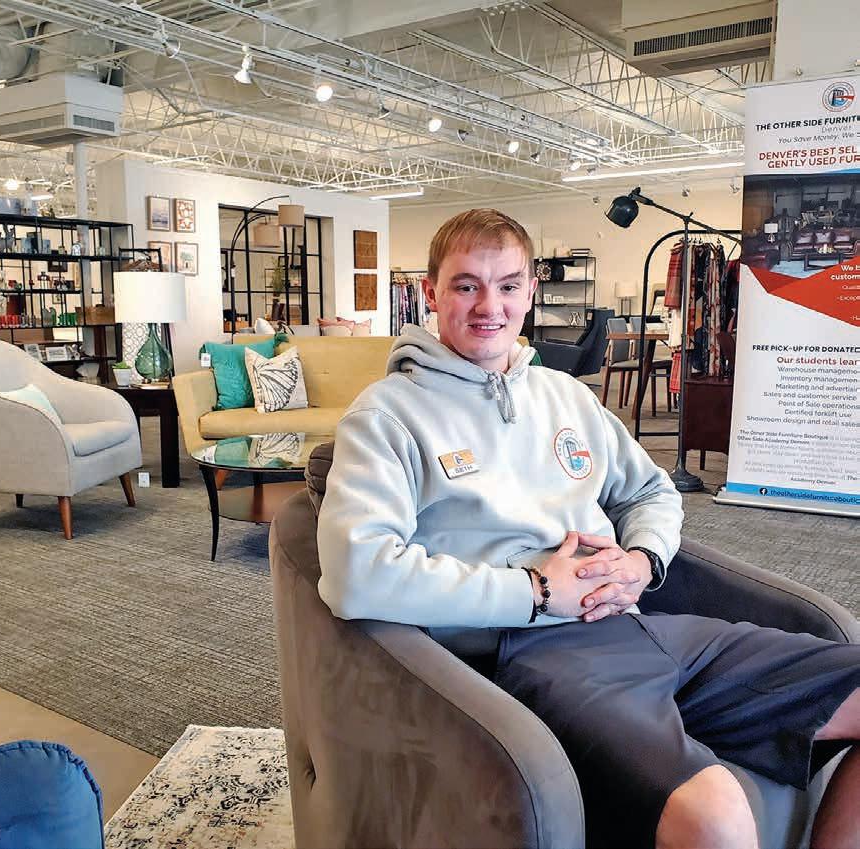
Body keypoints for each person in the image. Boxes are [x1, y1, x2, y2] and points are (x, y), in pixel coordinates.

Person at [316, 209, 860, 849]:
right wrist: (536, 591)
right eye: (466, 286)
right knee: (716, 815)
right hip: (538, 653)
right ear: (431, 293)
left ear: (530, 292)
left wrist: (643, 561)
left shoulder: (566, 396)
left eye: (508, 285)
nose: (490, 306)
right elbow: (356, 574)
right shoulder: (387, 416)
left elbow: (650, 491)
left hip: (647, 626)